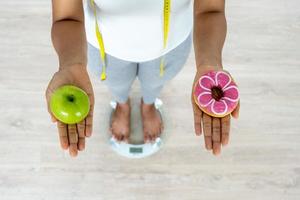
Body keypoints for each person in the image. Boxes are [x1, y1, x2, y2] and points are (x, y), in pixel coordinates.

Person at [45, 0, 240, 157]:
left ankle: (148, 105)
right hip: (104, 49)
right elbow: (67, 17)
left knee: (154, 83)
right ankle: (122, 105)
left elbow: (210, 9)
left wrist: (210, 62)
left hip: (169, 49)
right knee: (116, 84)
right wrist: (70, 63)